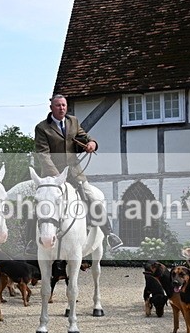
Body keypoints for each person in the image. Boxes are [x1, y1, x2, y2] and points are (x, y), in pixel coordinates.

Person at [33, 94, 124, 252]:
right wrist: (56, 176)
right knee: (39, 202)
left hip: (75, 172)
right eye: (58, 105)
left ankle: (109, 234)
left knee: (92, 196)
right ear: (51, 108)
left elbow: (84, 137)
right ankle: (31, 241)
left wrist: (91, 144)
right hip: (52, 175)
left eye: (63, 105)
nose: (61, 108)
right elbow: (43, 154)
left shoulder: (73, 121)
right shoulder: (42, 128)